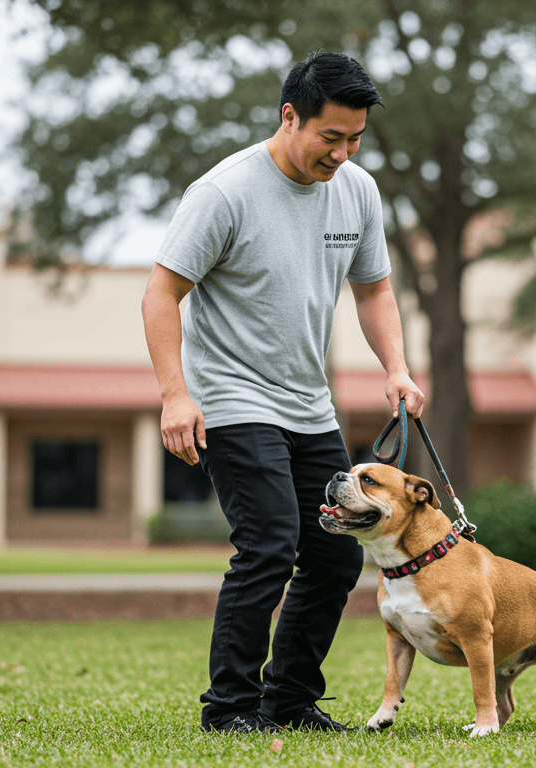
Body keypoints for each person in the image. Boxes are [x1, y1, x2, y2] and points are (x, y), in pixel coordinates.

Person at [141, 50, 426, 734]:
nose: (343, 152)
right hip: (233, 398)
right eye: (331, 136)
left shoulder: (356, 190)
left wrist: (397, 366)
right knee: (269, 540)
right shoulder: (225, 192)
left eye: (354, 138)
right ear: (289, 116)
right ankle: (230, 708)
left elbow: (376, 288)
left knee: (332, 552)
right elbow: (161, 293)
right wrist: (175, 395)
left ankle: (290, 701)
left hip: (307, 404)